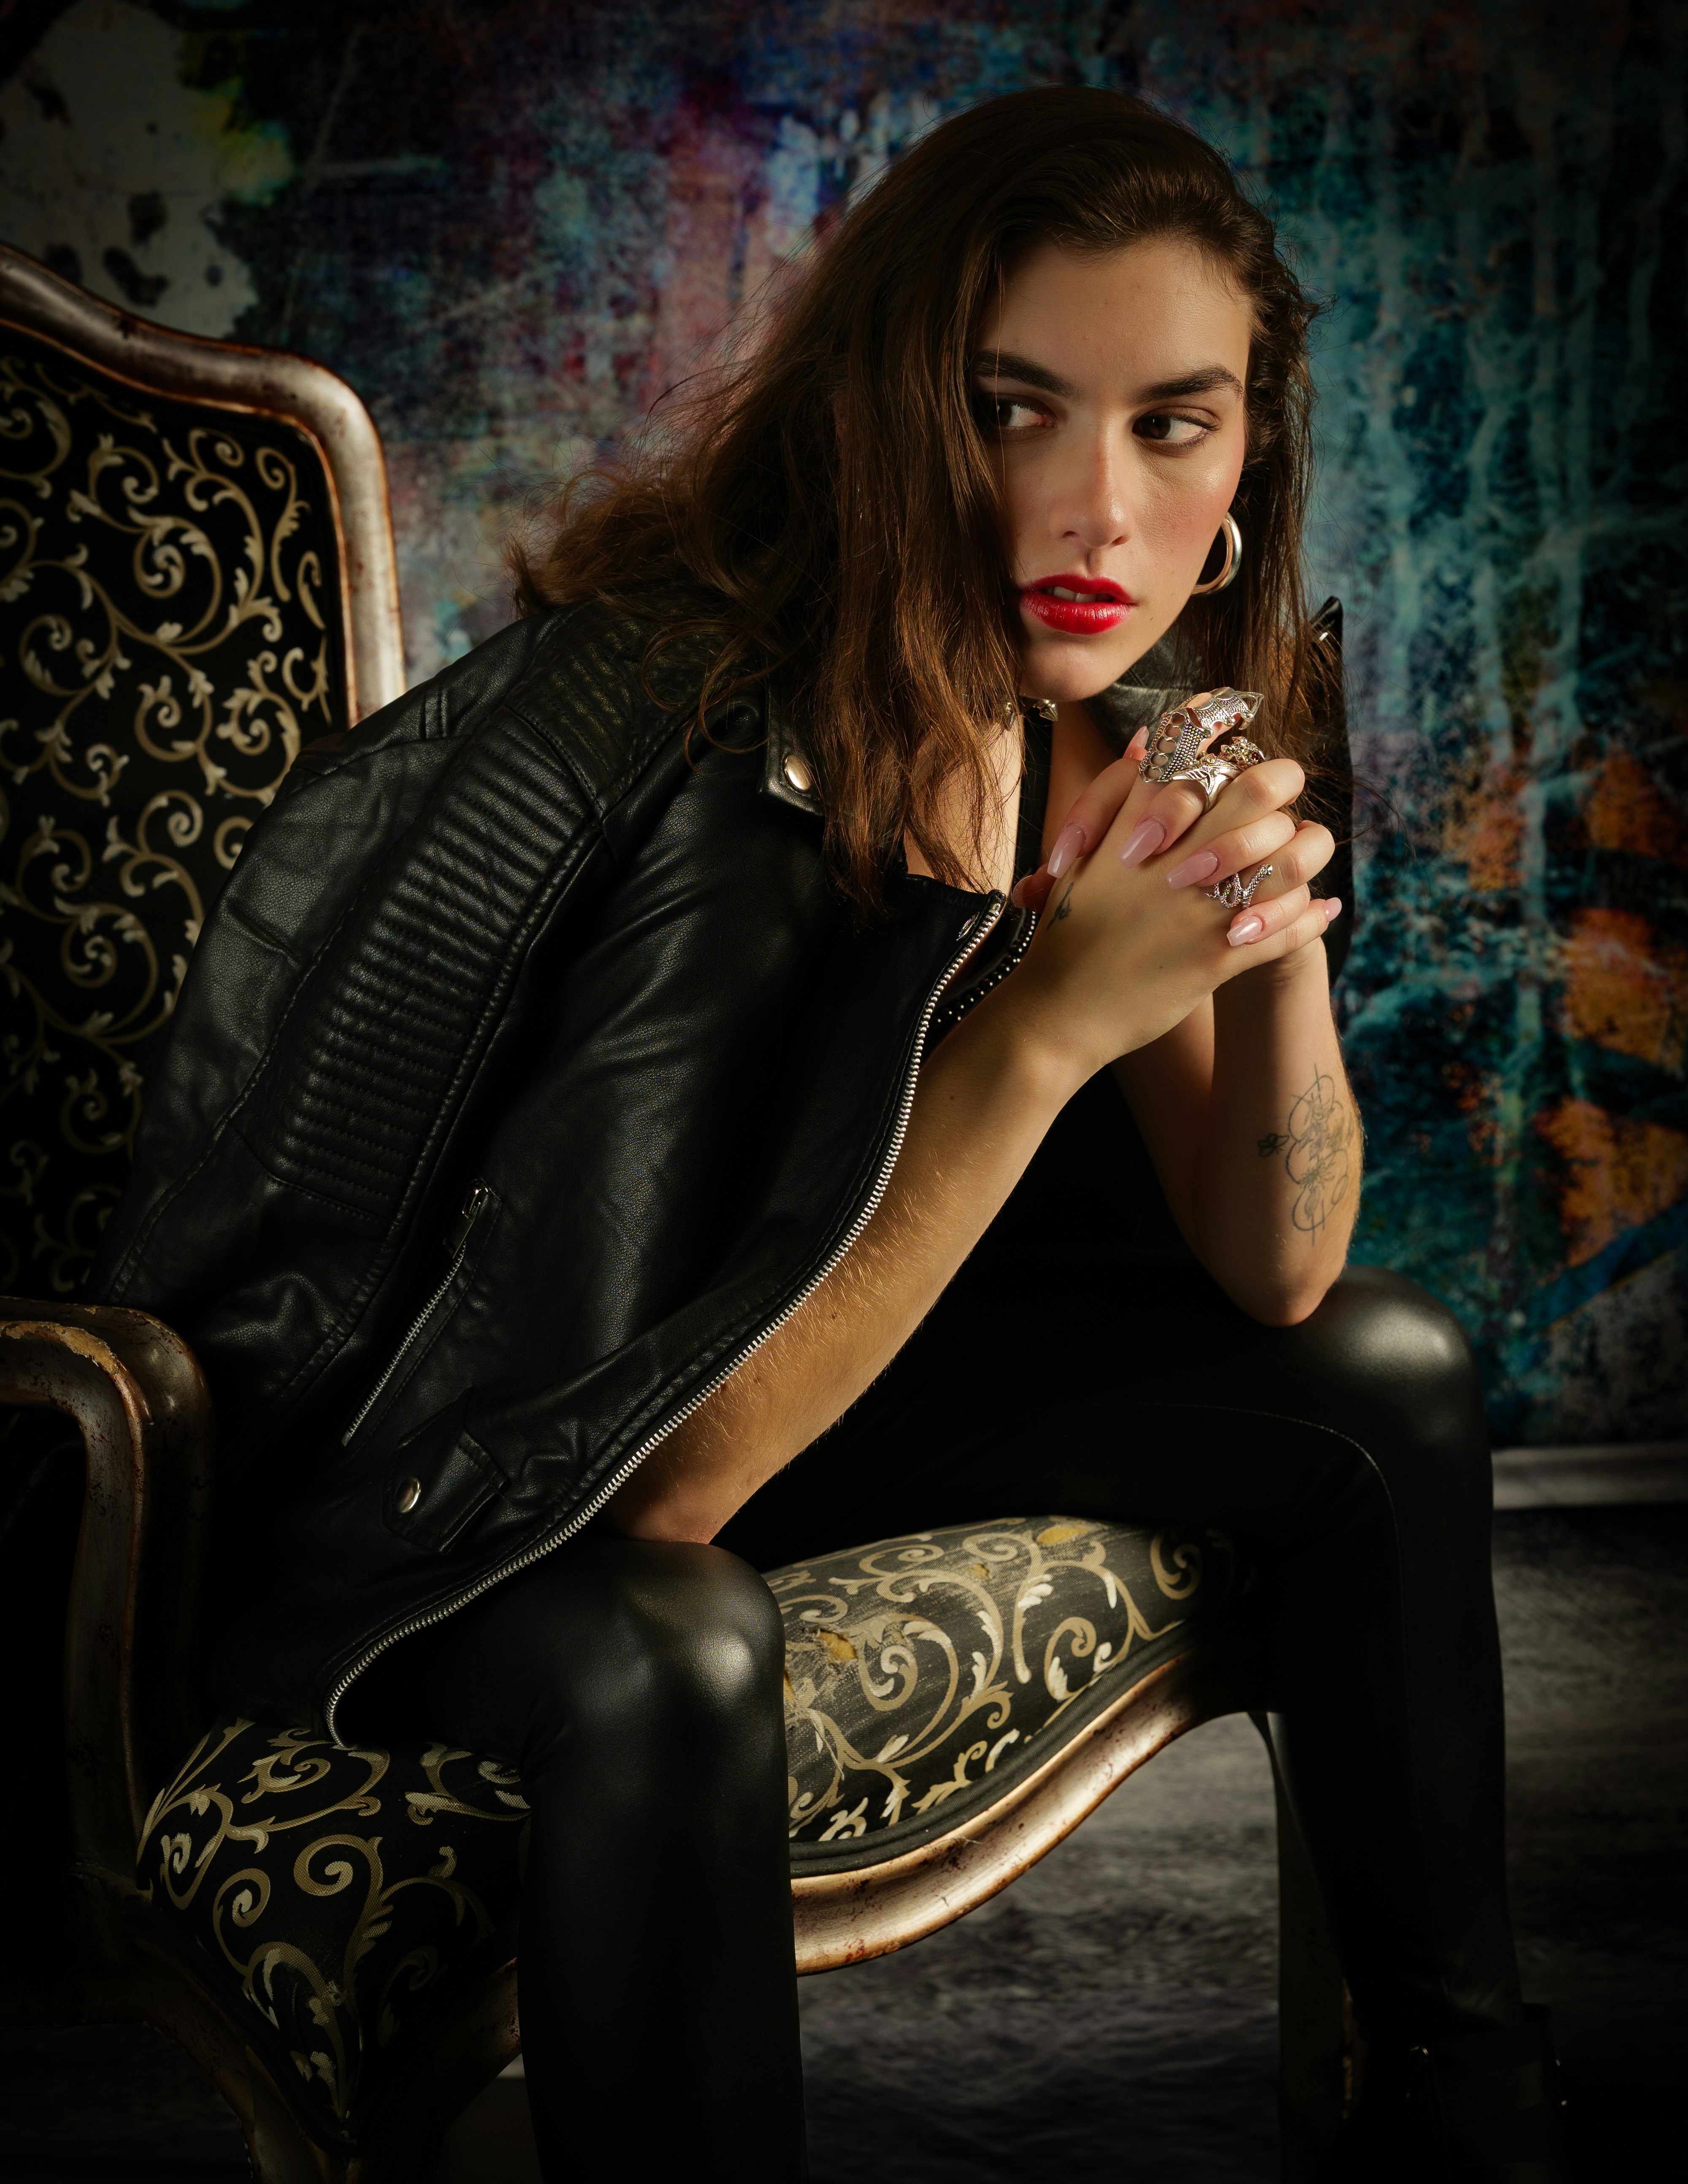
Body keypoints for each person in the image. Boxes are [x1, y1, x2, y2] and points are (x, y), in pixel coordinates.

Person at [91, 87, 1571, 2184]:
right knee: (674, 1646)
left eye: (1173, 420)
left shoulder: (1103, 717)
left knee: (1385, 1376)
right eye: (1013, 407)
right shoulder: (717, 745)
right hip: (456, 1483)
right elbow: (658, 1483)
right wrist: (1050, 1027)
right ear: (895, 409)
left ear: (1247, 456)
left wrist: (1265, 908)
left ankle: (1465, 2106)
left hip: (794, 1387)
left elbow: (1280, 1274)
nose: (1093, 508)